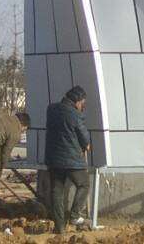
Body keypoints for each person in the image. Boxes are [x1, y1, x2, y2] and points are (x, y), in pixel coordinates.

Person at [44, 86, 92, 232]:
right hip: (71, 160)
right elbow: (84, 137)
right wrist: (86, 144)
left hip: (53, 158)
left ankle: (59, 227)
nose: (83, 106)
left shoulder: (51, 109)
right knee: (84, 184)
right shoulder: (75, 114)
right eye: (82, 103)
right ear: (77, 101)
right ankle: (74, 216)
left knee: (57, 191)